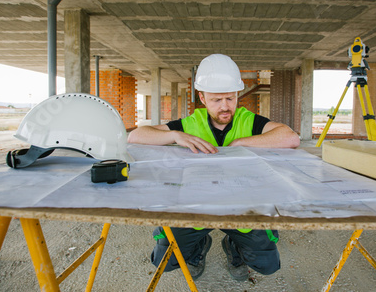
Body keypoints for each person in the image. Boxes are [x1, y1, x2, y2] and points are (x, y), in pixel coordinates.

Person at [127, 54, 300, 281]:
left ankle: (234, 245)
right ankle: (199, 246)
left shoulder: (249, 121)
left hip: (242, 209)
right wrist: (175, 135)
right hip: (195, 209)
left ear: (237, 95)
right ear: (202, 97)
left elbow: (290, 137)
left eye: (230, 98)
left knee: (267, 265)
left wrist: (240, 143)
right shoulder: (190, 124)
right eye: (217, 100)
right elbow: (136, 136)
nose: (225, 107)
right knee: (164, 260)